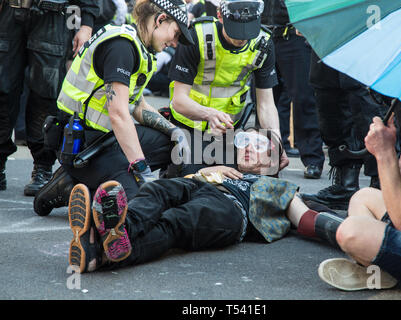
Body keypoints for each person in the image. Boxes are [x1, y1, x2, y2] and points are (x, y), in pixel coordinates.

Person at [65, 128, 345, 273]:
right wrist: (204, 173)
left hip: (233, 211)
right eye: (246, 140)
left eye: (260, 145)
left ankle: (104, 252)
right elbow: (178, 184)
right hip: (203, 186)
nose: (248, 147)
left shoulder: (279, 186)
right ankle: (118, 234)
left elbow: (307, 218)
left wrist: (351, 235)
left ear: (276, 160)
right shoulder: (221, 169)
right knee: (159, 190)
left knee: (175, 222)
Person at [33, 0, 195, 216]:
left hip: (107, 139)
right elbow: (118, 114)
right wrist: (141, 169)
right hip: (83, 145)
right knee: (141, 206)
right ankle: (72, 185)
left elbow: (137, 104)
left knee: (173, 145)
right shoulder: (121, 47)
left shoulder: (141, 47)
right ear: (160, 20)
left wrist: (175, 131)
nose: (175, 43)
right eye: (175, 34)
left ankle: (81, 182)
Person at [317, 114, 401, 296]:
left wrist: (384, 153)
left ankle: (385, 268)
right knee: (363, 197)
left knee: (352, 233)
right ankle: (387, 269)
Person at [167, 0, 289, 175]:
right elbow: (178, 100)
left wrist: (276, 142)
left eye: (248, 31)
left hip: (230, 130)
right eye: (236, 31)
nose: (242, 38)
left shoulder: (263, 42)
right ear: (220, 16)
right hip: (187, 126)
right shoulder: (197, 35)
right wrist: (209, 114)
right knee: (191, 178)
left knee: (261, 173)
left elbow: (266, 104)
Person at [0, 0, 99, 194]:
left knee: (45, 94)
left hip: (54, 14)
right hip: (9, 12)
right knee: (2, 91)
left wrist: (86, 25)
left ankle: (43, 167)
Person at [301, 51, 387, 210]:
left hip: (363, 35)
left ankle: (381, 186)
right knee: (328, 102)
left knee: (366, 103)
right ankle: (345, 185)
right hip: (326, 36)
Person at [261, 0, 324, 179]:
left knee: (304, 98)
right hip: (265, 32)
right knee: (267, 98)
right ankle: (268, 157)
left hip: (294, 34)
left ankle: (312, 159)